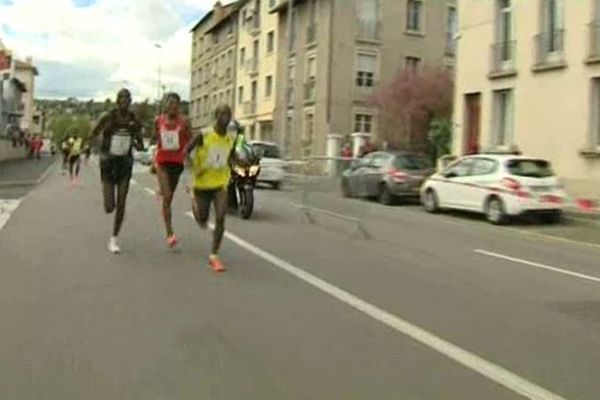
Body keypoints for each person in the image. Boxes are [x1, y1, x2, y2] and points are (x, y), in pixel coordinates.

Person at [91, 88, 144, 254]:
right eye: (122, 99)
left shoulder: (134, 119)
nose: (125, 102)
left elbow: (140, 142)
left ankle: (114, 238)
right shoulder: (109, 117)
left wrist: (136, 144)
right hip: (108, 163)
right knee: (109, 206)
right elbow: (93, 134)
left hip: (124, 164)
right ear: (117, 101)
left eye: (128, 99)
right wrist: (102, 151)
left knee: (122, 201)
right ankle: (108, 200)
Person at [185, 104, 237, 273]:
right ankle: (194, 201)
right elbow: (186, 150)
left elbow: (231, 155)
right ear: (216, 116)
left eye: (227, 114)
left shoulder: (230, 137)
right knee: (202, 220)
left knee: (221, 216)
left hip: (220, 183)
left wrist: (237, 162)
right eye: (221, 114)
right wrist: (190, 163)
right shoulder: (204, 134)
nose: (224, 117)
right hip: (201, 183)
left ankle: (214, 255)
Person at [153, 92, 191, 248]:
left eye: (176, 103)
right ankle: (170, 233)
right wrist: (153, 158)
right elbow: (157, 139)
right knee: (167, 197)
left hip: (177, 163)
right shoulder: (159, 120)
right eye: (170, 103)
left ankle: (161, 188)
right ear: (166, 105)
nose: (173, 106)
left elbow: (190, 139)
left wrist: (188, 155)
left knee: (170, 196)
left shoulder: (184, 122)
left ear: (179, 106)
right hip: (162, 162)